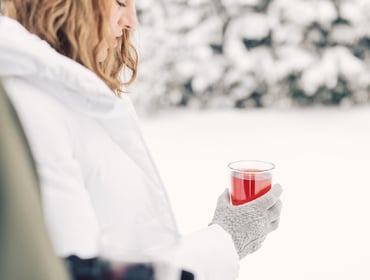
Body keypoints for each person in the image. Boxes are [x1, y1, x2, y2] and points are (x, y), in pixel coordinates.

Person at [0, 1, 283, 279]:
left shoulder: (86, 95)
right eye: (120, 2)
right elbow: (78, 270)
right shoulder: (33, 109)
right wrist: (226, 240)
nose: (132, 22)